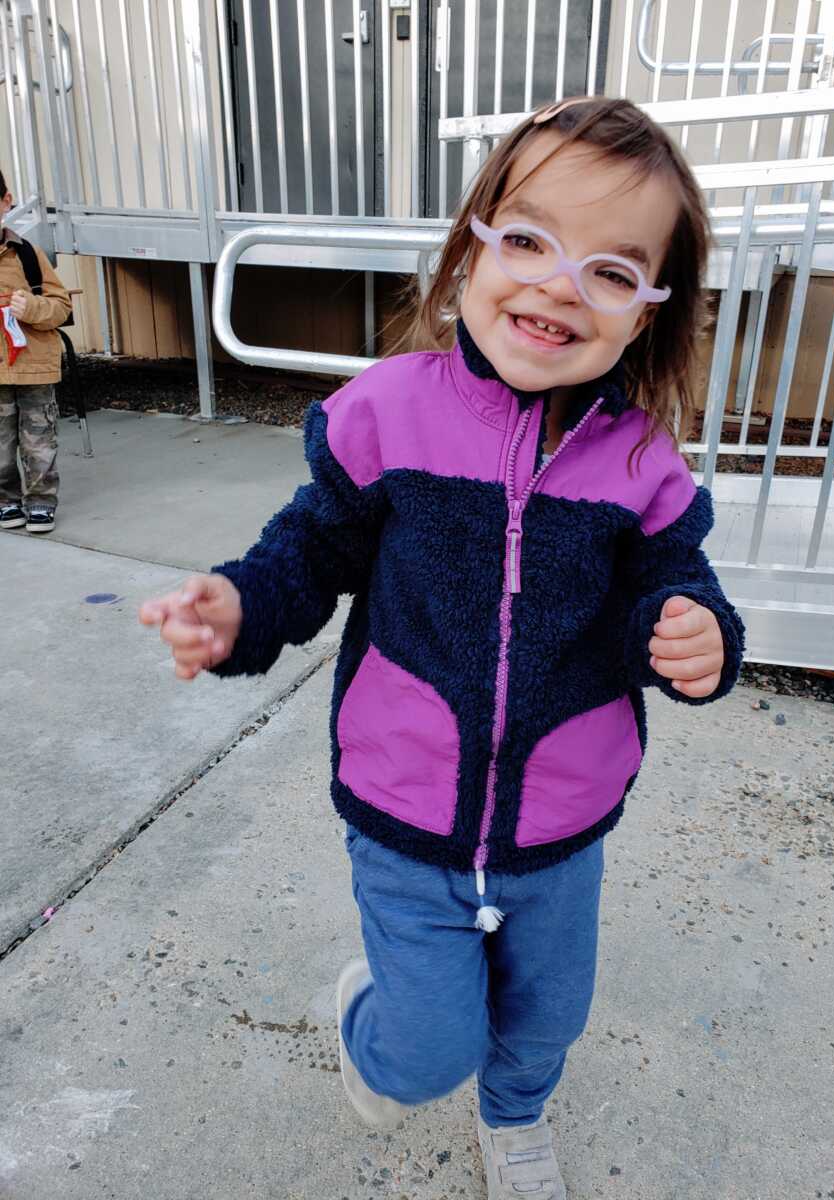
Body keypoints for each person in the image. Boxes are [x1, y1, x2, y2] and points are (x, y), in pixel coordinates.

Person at [140, 96, 744, 1198]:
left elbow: (678, 580)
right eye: (529, 240)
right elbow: (306, 557)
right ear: (472, 247)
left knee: (548, 1016)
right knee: (424, 1051)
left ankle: (516, 1123)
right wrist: (237, 608)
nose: (561, 283)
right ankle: (375, 1017)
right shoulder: (385, 416)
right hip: (407, 808)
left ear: (650, 310)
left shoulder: (643, 462)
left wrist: (701, 635)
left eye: (612, 269)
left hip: (562, 818)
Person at [0, 170, 72, 534]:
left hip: (34, 367)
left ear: (6, 202)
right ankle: (5, 500)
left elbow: (61, 307)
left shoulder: (27, 255)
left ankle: (41, 500)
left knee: (39, 440)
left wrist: (31, 309)